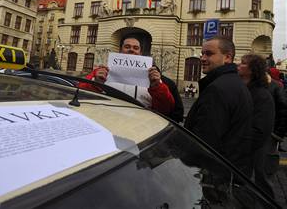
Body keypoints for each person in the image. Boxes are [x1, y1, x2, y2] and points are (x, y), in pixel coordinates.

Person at [184, 36, 253, 176]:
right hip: (229, 168)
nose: (202, 58)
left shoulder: (218, 89)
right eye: (202, 53)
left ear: (227, 57)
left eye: (209, 54)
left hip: (215, 172)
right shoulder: (233, 82)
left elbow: (205, 141)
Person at [79, 35, 183, 122]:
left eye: (136, 48)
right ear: (120, 50)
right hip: (106, 121)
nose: (131, 50)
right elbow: (80, 94)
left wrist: (157, 87)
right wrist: (96, 83)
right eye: (127, 46)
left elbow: (166, 109)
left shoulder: (152, 77)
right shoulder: (103, 71)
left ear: (140, 53)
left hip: (140, 126)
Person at [238, 54, 275, 198]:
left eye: (243, 63)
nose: (239, 65)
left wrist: (239, 148)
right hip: (242, 153)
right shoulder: (243, 89)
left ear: (253, 70)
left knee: (258, 187)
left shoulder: (262, 95)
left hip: (253, 154)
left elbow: (260, 131)